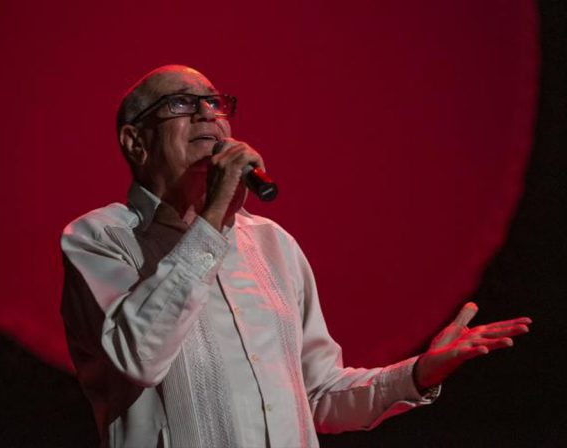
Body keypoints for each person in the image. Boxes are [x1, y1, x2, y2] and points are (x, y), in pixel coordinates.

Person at [60, 65, 533, 448]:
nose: (207, 114)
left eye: (215, 103)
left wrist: (416, 374)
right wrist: (213, 219)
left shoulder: (273, 244)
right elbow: (138, 357)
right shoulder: (99, 238)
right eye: (181, 104)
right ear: (135, 142)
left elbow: (319, 393)